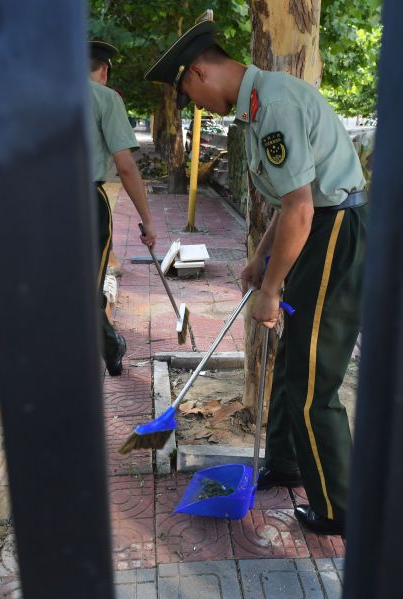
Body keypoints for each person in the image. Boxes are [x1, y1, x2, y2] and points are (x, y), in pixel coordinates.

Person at [145, 19, 367, 536]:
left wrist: (269, 292)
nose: (198, 108)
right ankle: (289, 463)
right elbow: (286, 205)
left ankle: (339, 510)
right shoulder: (260, 107)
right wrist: (259, 261)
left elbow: (301, 210)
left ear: (200, 72)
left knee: (315, 382)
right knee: (293, 361)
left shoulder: (273, 109)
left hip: (334, 232)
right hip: (320, 228)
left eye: (191, 96)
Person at [90, 41, 157, 375]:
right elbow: (126, 166)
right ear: (104, 70)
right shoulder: (105, 98)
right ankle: (112, 345)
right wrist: (147, 220)